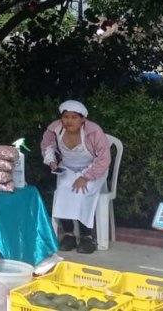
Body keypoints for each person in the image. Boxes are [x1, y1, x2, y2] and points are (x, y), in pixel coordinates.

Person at [41, 100, 112, 254]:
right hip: (67, 168)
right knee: (62, 194)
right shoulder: (55, 129)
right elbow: (47, 145)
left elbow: (104, 159)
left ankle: (87, 237)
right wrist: (51, 160)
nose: (69, 121)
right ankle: (69, 235)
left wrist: (86, 177)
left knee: (82, 193)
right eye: (66, 117)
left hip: (93, 170)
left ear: (82, 119)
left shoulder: (94, 131)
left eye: (74, 117)